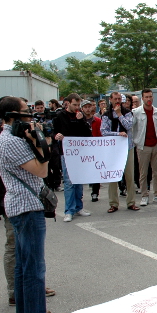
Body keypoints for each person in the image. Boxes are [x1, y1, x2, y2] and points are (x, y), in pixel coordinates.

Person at [0, 96, 67, 313]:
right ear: (13, 115)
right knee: (34, 265)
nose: (31, 116)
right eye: (26, 112)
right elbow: (42, 169)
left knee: (24, 264)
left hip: (19, 205)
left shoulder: (8, 137)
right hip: (27, 206)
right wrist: (38, 142)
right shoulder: (11, 141)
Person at [53, 93, 92, 222]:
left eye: (78, 105)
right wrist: (56, 136)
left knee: (78, 181)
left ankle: (79, 207)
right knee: (69, 182)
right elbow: (53, 131)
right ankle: (69, 210)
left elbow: (88, 134)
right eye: (74, 104)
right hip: (66, 153)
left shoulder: (80, 115)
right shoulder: (60, 116)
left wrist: (81, 120)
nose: (77, 107)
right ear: (68, 103)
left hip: (79, 153)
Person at [101, 91, 138, 213]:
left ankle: (131, 202)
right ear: (110, 100)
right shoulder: (106, 115)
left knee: (129, 176)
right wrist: (117, 134)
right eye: (115, 99)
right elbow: (104, 131)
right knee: (113, 176)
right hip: (113, 149)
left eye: (119, 99)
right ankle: (113, 203)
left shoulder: (127, 113)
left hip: (127, 148)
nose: (117, 101)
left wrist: (119, 114)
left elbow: (129, 126)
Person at [132, 89, 157, 206]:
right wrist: (136, 141)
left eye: (150, 97)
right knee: (143, 173)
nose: (149, 99)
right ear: (142, 98)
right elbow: (133, 128)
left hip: (155, 145)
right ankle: (144, 195)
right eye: (146, 97)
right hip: (143, 146)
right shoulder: (136, 112)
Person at [81, 100, 102, 202]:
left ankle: (95, 192)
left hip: (95, 148)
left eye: (89, 107)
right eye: (85, 107)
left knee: (96, 170)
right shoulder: (79, 121)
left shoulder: (97, 120)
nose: (88, 109)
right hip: (83, 148)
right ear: (82, 109)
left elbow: (100, 134)